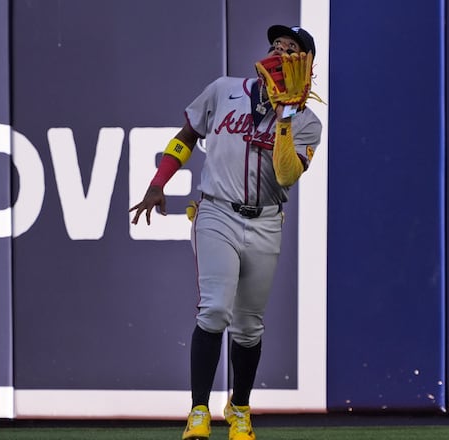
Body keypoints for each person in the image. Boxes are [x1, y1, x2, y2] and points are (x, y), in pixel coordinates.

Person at [129, 25, 323, 440]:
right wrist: (158, 182)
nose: (281, 52)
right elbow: (186, 136)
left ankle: (239, 409)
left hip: (267, 218)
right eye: (277, 45)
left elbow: (287, 174)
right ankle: (198, 411)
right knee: (215, 309)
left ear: (306, 64)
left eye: (292, 49)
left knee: (249, 326)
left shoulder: (308, 122)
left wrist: (286, 116)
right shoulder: (224, 90)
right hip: (217, 211)